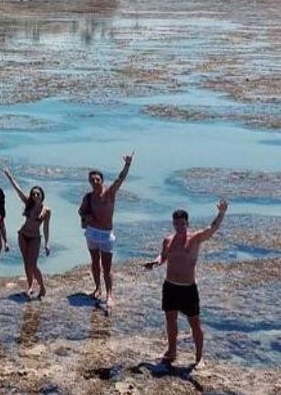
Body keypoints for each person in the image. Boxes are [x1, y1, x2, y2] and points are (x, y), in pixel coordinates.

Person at [144, 199, 228, 367]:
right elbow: (163, 256)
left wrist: (221, 213)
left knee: (195, 323)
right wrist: (155, 262)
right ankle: (172, 351)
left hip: (188, 288)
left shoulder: (195, 238)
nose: (179, 227)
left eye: (182, 224)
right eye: (176, 224)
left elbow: (212, 229)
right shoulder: (168, 240)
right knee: (170, 320)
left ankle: (199, 358)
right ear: (173, 224)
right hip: (170, 286)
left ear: (187, 223)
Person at [79, 153, 133, 310]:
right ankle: (97, 288)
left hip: (106, 234)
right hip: (92, 233)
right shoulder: (88, 197)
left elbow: (120, 179)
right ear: (89, 182)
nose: (95, 181)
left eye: (97, 179)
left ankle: (110, 295)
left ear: (102, 180)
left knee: (107, 267)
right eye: (92, 179)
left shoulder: (110, 193)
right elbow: (80, 211)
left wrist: (127, 165)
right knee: (95, 263)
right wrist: (87, 217)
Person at [1, 167, 50, 299]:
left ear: (42, 195)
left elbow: (46, 227)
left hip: (35, 238)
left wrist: (47, 243)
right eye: (33, 194)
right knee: (26, 263)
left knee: (32, 264)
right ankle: (29, 287)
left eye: (37, 194)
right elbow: (18, 190)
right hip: (22, 235)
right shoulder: (28, 203)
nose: (35, 196)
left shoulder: (46, 210)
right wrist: (9, 176)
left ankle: (42, 287)